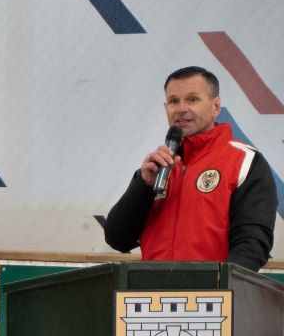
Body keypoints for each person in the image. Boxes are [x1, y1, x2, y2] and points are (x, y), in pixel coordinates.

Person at [104, 66, 276, 269]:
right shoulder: (157, 167)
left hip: (212, 296)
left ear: (216, 107)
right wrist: (143, 186)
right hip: (153, 295)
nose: (181, 108)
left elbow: (253, 244)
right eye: (173, 101)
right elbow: (117, 238)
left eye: (192, 99)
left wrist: (218, 291)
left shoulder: (245, 161)